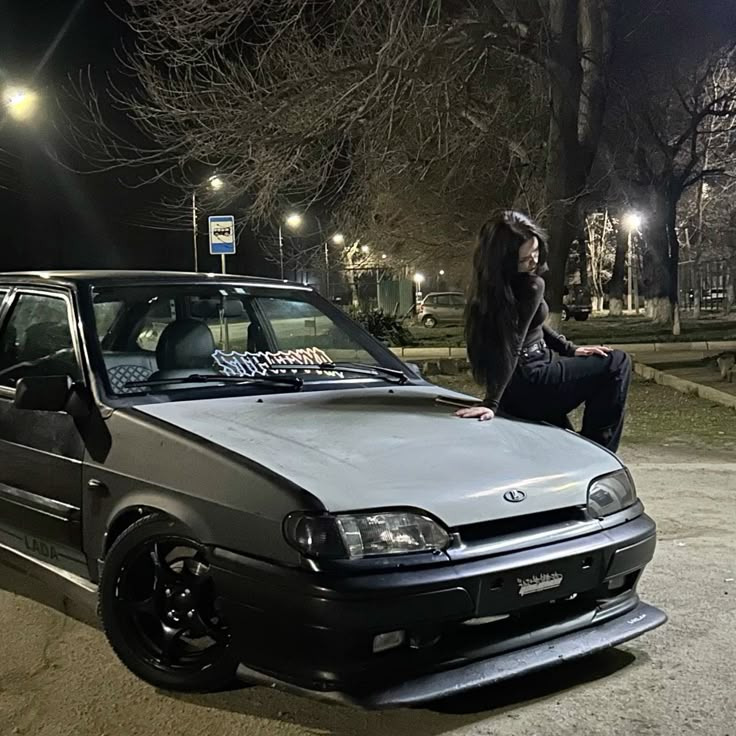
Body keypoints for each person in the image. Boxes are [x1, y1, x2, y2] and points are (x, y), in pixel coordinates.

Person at [456, 210, 631, 453]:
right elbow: (514, 343)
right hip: (533, 379)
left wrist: (570, 349)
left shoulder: (489, 289)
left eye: (536, 252)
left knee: (561, 445)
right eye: (525, 259)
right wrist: (491, 403)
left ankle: (588, 453)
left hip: (516, 388)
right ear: (504, 261)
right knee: (617, 363)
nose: (534, 262)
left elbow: (531, 324)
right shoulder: (531, 286)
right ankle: (599, 452)